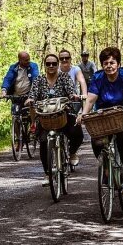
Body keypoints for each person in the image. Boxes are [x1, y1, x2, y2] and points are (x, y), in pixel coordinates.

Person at [76, 46, 123, 193]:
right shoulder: (98, 77)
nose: (109, 66)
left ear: (118, 63)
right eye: (105, 63)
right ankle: (106, 169)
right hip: (103, 115)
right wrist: (83, 114)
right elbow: (90, 100)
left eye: (112, 63)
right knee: (96, 141)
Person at [25, 53, 83, 183]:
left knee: (77, 133)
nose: (51, 66)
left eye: (54, 64)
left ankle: (72, 152)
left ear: (58, 65)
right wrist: (30, 100)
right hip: (45, 117)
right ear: (45, 65)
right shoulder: (39, 80)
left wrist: (73, 96)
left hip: (63, 113)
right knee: (44, 142)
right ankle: (47, 174)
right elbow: (33, 94)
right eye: (48, 64)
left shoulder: (64, 77)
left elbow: (70, 91)